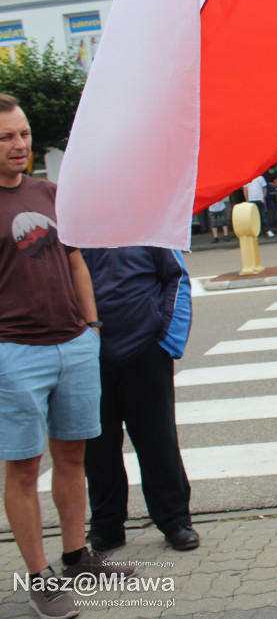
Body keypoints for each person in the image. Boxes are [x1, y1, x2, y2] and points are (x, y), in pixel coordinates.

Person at [0, 93, 134, 619]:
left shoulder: (50, 192)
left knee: (74, 456)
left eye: (24, 134)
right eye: (7, 137)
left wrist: (92, 327)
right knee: (22, 468)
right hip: (15, 352)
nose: (20, 144)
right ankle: (39, 576)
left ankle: (78, 555)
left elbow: (76, 260)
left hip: (73, 343)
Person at [81, 247, 199, 553]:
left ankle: (175, 519)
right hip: (86, 352)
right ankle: (106, 526)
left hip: (145, 348)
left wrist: (167, 341)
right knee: (97, 447)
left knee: (158, 440)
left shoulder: (148, 221)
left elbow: (176, 277)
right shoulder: (72, 222)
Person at [244, 173, 273, 237]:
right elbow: (245, 189)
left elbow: (264, 188)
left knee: (263, 215)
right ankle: (257, 231)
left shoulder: (260, 178)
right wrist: (247, 200)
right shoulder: (247, 178)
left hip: (260, 199)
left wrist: (263, 198)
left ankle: (268, 230)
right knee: (254, 217)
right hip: (251, 200)